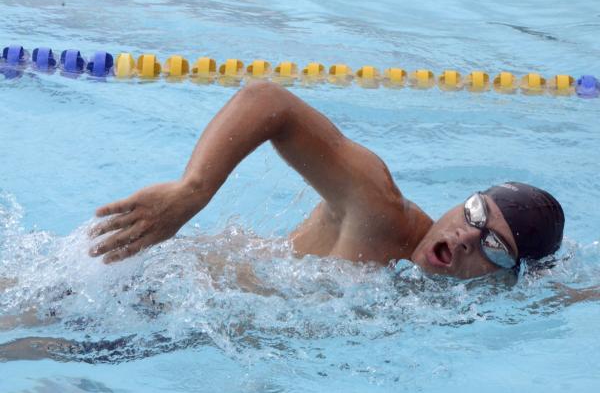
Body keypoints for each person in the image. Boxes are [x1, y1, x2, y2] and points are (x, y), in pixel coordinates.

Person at [88, 81, 564, 279]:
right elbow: (269, 101)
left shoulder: (455, 302)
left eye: (494, 247)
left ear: (509, 279)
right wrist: (192, 191)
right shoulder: (380, 210)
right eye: (474, 212)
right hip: (138, 283)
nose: (464, 237)